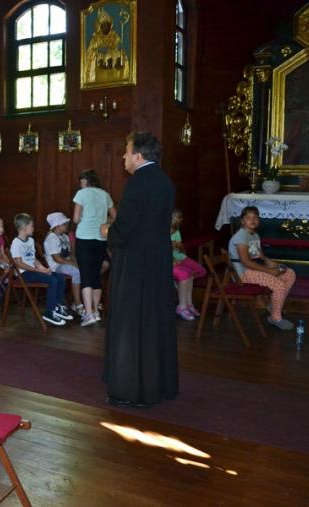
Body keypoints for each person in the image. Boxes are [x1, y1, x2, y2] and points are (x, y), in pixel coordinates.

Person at [100, 132, 177, 407]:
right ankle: (158, 385)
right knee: (153, 322)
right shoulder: (165, 181)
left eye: (127, 151)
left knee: (131, 325)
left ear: (139, 155)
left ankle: (130, 390)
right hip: (157, 261)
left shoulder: (137, 182)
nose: (124, 156)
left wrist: (107, 231)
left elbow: (125, 227)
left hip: (135, 263)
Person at [228, 206, 297, 330]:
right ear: (242, 221)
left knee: (289, 273)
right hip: (243, 273)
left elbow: (259, 256)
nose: (252, 220)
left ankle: (274, 307)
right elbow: (246, 262)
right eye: (248, 217)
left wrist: (275, 265)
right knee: (278, 285)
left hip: (253, 269)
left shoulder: (254, 235)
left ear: (258, 220)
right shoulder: (241, 236)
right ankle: (275, 318)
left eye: (255, 217)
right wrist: (270, 271)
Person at [10, 213, 72, 327]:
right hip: (23, 274)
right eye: (32, 226)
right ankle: (49, 312)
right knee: (52, 280)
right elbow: (19, 264)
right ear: (23, 227)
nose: (33, 228)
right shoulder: (16, 243)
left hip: (33, 271)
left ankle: (57, 306)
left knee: (60, 278)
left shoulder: (30, 240)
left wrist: (43, 268)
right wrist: (38, 271)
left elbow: (33, 259)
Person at [73, 170, 116, 326]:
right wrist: (104, 222)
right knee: (96, 276)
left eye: (81, 181)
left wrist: (85, 219)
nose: (80, 184)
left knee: (86, 275)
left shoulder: (82, 194)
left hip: (84, 238)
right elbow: (115, 216)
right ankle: (96, 311)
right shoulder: (105, 195)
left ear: (87, 181)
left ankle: (89, 313)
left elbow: (76, 219)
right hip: (100, 239)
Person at [44, 212, 84, 316]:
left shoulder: (64, 237)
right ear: (57, 226)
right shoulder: (51, 238)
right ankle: (78, 304)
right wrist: (72, 263)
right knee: (76, 272)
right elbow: (57, 258)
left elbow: (71, 253)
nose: (67, 225)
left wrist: (74, 260)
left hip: (65, 262)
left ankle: (78, 300)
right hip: (56, 266)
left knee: (84, 268)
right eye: (64, 224)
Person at [171, 209, 207, 321]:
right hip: (169, 261)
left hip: (179, 257)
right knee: (185, 275)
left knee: (197, 272)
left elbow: (181, 249)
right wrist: (173, 259)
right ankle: (181, 307)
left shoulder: (176, 231)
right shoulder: (160, 231)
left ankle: (188, 303)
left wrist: (178, 246)